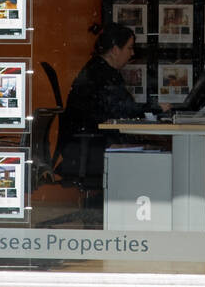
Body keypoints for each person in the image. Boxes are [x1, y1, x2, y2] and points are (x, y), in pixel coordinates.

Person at [58, 23, 164, 178]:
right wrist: (156, 108)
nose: (132, 53)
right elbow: (122, 108)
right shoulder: (103, 75)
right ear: (115, 50)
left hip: (87, 145)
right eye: (129, 48)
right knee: (156, 153)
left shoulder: (97, 70)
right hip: (93, 147)